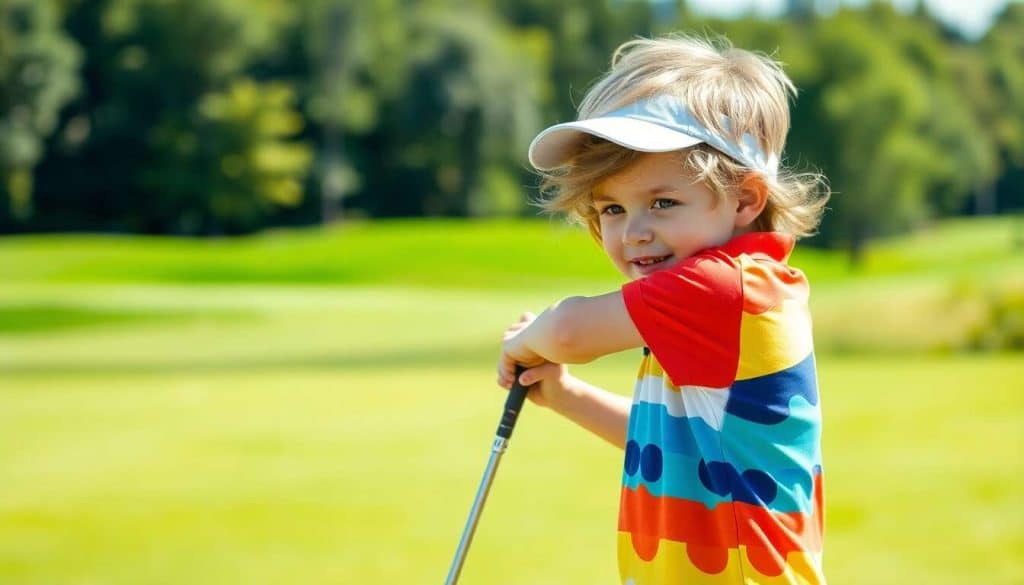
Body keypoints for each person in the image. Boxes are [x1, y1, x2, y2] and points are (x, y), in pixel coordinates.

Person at [496, 34, 829, 585]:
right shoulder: (703, 309)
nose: (634, 232)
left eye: (663, 202)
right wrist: (566, 395)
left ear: (746, 198)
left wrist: (526, 341)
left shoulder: (727, 291)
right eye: (612, 208)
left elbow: (573, 330)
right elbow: (671, 444)